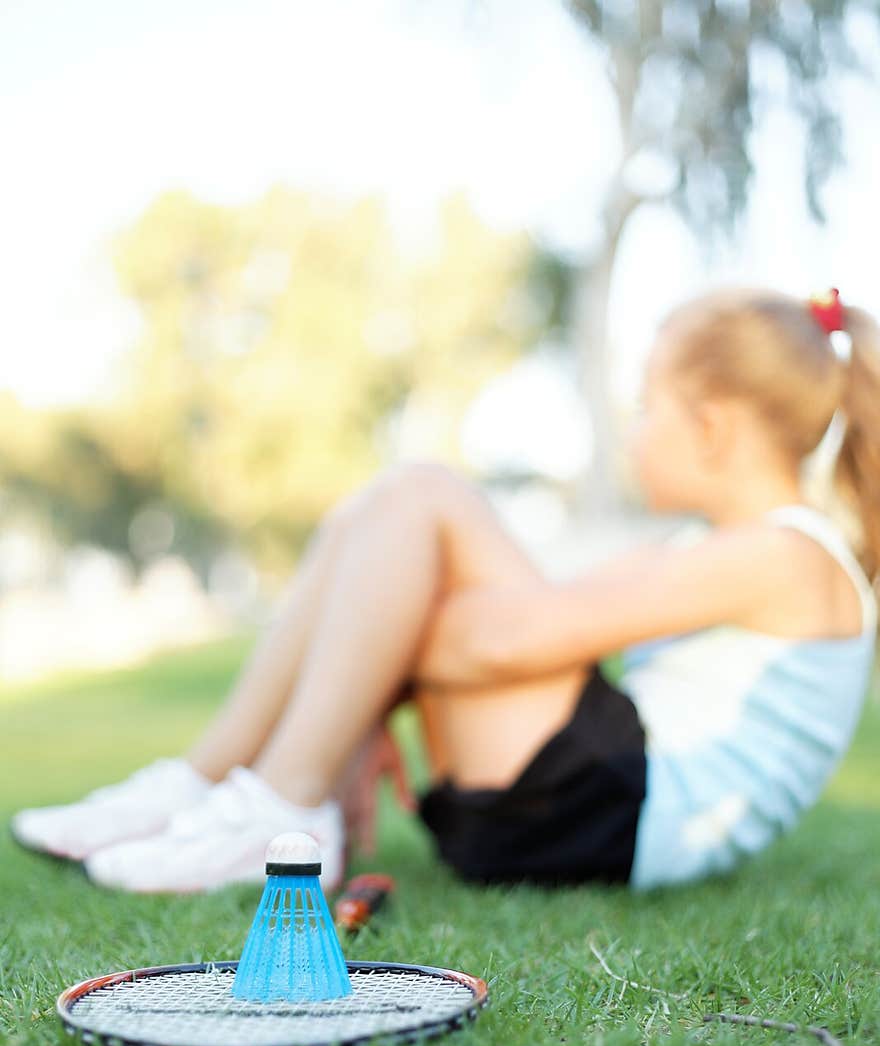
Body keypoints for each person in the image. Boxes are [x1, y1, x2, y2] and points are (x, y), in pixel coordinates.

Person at [12, 287, 879, 894]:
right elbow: (532, 621)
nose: (633, 431)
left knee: (423, 497)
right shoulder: (721, 547)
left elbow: (504, 641)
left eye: (646, 407)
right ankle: (201, 783)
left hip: (606, 814)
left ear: (713, 428)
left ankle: (275, 801)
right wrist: (368, 670)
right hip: (579, 810)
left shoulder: (785, 555)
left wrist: (372, 672)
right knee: (376, 519)